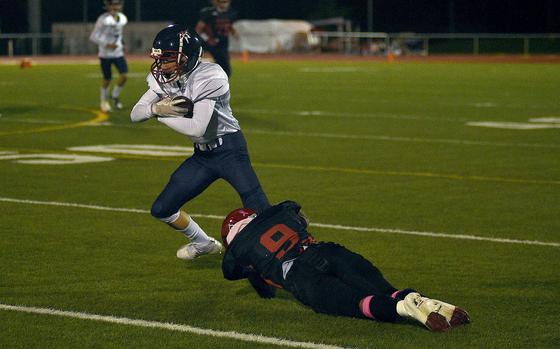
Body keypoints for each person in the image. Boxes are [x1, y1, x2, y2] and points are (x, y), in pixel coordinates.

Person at [130, 24, 269, 261]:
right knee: (162, 209)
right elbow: (135, 113)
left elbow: (197, 128)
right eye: (159, 58)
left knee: (261, 209)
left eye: (168, 58)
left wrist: (160, 114)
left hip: (229, 150)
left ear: (188, 56)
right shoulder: (164, 78)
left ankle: (290, 255)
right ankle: (203, 243)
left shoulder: (210, 75)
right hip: (203, 157)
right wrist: (154, 107)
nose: (161, 64)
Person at [220, 201, 471, 332]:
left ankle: (404, 307)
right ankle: (417, 300)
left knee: (360, 304)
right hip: (326, 250)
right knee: (385, 289)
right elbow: (299, 213)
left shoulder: (239, 249)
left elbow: (230, 271)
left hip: (301, 275)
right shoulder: (279, 211)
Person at [89, 0, 128, 112]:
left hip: (118, 53)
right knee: (107, 79)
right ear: (108, 6)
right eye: (112, 4)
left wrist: (123, 44)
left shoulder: (122, 18)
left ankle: (115, 96)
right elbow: (93, 36)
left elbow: (118, 35)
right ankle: (104, 101)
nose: (115, 6)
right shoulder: (102, 19)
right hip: (105, 54)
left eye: (117, 4)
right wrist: (107, 44)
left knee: (124, 76)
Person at [195, 0, 238, 77]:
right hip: (210, 43)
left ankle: (217, 81)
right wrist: (207, 39)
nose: (224, 4)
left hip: (223, 42)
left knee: (225, 68)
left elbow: (229, 25)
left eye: (226, 2)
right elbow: (198, 29)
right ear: (216, 2)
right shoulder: (208, 13)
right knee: (225, 68)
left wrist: (234, 33)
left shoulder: (231, 13)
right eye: (222, 1)